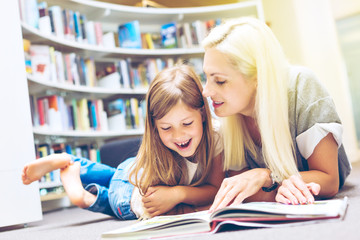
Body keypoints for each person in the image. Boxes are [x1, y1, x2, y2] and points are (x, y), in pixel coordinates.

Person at [22, 64, 224, 220]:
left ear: (203, 114)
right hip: (131, 190)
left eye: (187, 123)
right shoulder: (158, 152)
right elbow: (157, 205)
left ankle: (70, 161)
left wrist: (178, 193)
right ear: (154, 127)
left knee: (112, 176)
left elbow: (214, 189)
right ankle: (84, 198)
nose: (179, 135)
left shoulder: (217, 136)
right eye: (166, 128)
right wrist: (176, 198)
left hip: (131, 169)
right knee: (118, 201)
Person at [201, 17, 351, 211]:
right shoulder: (230, 114)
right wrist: (276, 187)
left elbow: (328, 180)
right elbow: (243, 191)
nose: (206, 91)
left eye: (219, 81)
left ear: (257, 77)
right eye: (206, 78)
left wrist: (266, 176)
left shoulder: (302, 87)